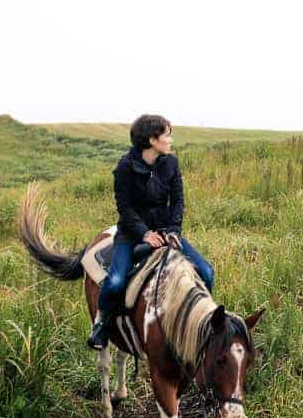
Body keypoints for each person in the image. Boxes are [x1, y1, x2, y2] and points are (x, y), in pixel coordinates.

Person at [88, 114, 215, 350]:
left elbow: (177, 201)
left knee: (207, 273)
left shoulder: (171, 163)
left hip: (166, 231)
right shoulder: (124, 168)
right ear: (152, 140)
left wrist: (174, 230)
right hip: (132, 234)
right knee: (115, 282)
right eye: (167, 134)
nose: (171, 139)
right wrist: (144, 233)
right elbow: (124, 208)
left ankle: (203, 325)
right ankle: (101, 324)